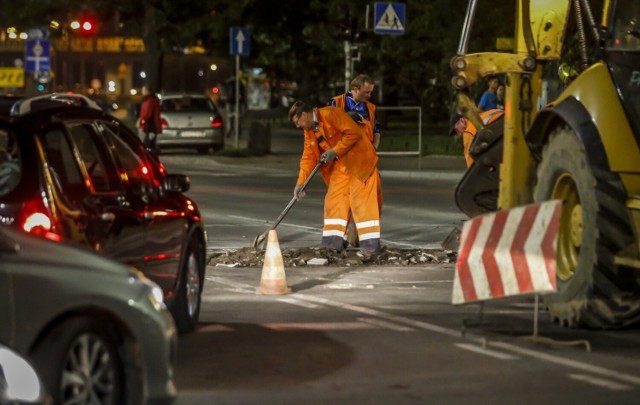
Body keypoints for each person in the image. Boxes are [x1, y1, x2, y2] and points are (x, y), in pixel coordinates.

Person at [289, 100, 382, 255]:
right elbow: (308, 157)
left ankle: (370, 248)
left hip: (360, 163)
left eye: (297, 121)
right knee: (334, 202)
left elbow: (354, 133)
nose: (297, 126)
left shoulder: (331, 114)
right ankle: (331, 245)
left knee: (362, 203)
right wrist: (301, 183)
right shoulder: (310, 130)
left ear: (304, 115)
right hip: (341, 168)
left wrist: (335, 151)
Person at [329, 74, 381, 150]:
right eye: (366, 92)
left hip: (364, 153)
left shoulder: (371, 107)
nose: (369, 95)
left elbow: (376, 130)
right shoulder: (336, 102)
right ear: (355, 89)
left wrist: (374, 147)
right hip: (341, 153)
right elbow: (327, 128)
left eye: (370, 92)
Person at [138, 85, 162, 155]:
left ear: (147, 91)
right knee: (150, 145)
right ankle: (153, 160)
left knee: (146, 146)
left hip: (151, 128)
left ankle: (151, 160)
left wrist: (142, 121)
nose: (142, 92)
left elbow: (148, 115)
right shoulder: (149, 100)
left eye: (143, 90)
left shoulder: (150, 100)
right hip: (150, 127)